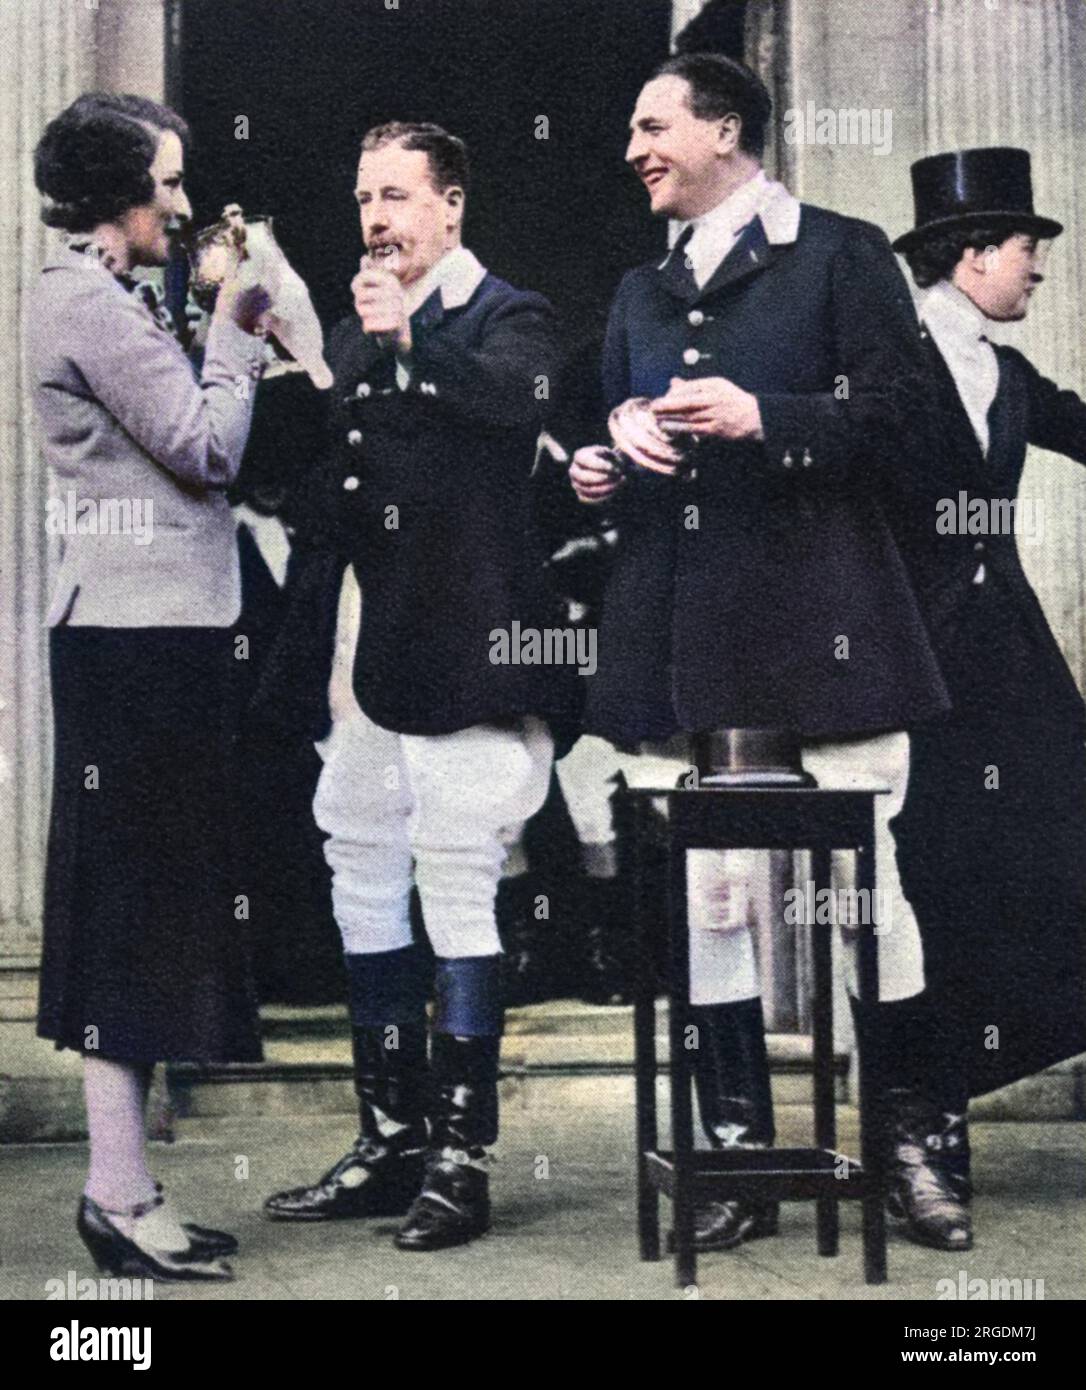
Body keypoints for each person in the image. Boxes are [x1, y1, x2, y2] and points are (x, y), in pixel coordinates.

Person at [569, 53, 950, 1254]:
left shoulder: (840, 253)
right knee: (712, 893)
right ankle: (733, 1156)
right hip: (691, 635)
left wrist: (768, 418)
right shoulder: (639, 289)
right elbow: (624, 424)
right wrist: (609, 455)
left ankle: (905, 1149)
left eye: (652, 124)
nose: (632, 147)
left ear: (726, 128)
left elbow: (908, 421)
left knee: (863, 886)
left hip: (826, 626)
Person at [259, 122, 576, 1250]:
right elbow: (333, 490)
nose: (376, 219)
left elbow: (516, 407)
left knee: (457, 885)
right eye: (361, 198)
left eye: (396, 196)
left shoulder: (512, 316)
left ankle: (462, 1156)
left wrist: (409, 347)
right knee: (360, 871)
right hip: (366, 654)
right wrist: (296, 361)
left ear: (451, 206)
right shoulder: (354, 331)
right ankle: (390, 1139)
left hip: (470, 652)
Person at [28, 93, 271, 1280]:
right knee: (134, 912)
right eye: (168, 183)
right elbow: (205, 445)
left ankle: (122, 1186)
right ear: (116, 192)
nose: (182, 202)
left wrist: (199, 308)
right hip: (141, 647)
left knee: (145, 907)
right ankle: (118, 1194)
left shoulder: (95, 291)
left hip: (141, 638)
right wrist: (237, 321)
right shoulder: (83, 299)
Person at [882, 147, 1086, 1248]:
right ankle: (919, 1126)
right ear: (969, 257)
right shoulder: (885, 360)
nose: (1037, 271)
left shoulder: (1006, 376)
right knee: (927, 888)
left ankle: (961, 1086)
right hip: (910, 668)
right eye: (1025, 251)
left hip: (1011, 667)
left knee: (1057, 853)